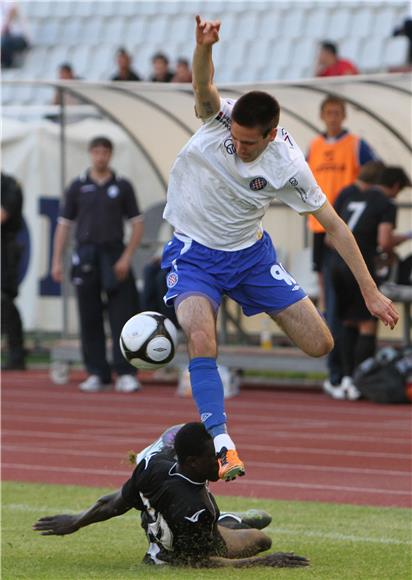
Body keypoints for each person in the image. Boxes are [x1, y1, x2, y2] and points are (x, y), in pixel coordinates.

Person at [160, 16, 398, 482]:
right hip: (193, 254)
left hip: (250, 258)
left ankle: (258, 303)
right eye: (236, 137)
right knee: (201, 338)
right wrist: (203, 47)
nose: (238, 145)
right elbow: (203, 86)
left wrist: (370, 292)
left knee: (320, 343)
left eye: (249, 143)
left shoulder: (288, 163)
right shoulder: (221, 119)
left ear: (271, 135)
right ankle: (223, 444)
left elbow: (334, 225)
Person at [33, 422, 309, 569]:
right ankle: (226, 523)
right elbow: (199, 562)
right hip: (179, 549)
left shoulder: (153, 466)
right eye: (214, 458)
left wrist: (76, 521)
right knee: (263, 540)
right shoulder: (194, 507)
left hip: (173, 521)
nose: (222, 463)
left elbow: (115, 503)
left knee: (241, 521)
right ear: (191, 461)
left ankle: (225, 521)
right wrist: (263, 563)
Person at [51, 136, 144, 393]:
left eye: (105, 152)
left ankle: (125, 372)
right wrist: (56, 260)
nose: (101, 157)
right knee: (89, 316)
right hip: (86, 255)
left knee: (122, 316)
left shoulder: (122, 186)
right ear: (90, 154)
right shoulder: (78, 186)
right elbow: (63, 225)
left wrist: (126, 257)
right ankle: (96, 372)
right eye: (96, 152)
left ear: (111, 155)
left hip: (114, 255)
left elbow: (137, 224)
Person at [307, 94, 379, 390]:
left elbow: (376, 174)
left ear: (344, 115)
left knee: (344, 304)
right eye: (328, 112)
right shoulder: (314, 146)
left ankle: (344, 372)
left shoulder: (357, 145)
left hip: (343, 230)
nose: (333, 117)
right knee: (328, 302)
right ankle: (335, 371)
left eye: (337, 112)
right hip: (318, 228)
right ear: (322, 115)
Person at [328, 164, 412, 400]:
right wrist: (406, 236)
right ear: (394, 186)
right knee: (367, 323)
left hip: (335, 262)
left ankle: (345, 379)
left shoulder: (350, 194)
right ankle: (362, 381)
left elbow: (329, 237)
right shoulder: (386, 203)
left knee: (346, 321)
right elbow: (384, 241)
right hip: (360, 264)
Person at [1, 172, 26, 370]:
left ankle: (16, 354)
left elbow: (3, 215)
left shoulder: (10, 185)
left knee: (4, 299)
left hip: (5, 249)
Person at [1, 0, 30, 68]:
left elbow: (12, 10)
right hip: (5, 39)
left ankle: (8, 64)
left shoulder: (9, 2)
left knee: (4, 41)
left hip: (19, 39)